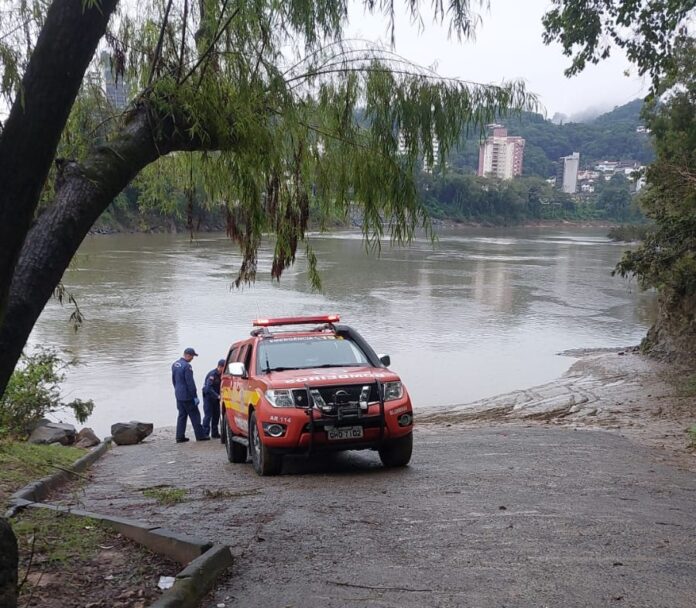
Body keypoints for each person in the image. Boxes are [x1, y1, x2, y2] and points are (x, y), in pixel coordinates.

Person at [171, 347, 209, 443]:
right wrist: (195, 396)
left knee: (182, 415)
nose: (192, 359)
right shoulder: (187, 367)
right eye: (192, 356)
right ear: (188, 355)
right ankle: (200, 436)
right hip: (187, 396)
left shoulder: (175, 364)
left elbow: (174, 380)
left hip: (178, 394)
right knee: (195, 415)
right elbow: (190, 383)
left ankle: (179, 436)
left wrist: (177, 390)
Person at [202, 359, 225, 439]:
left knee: (216, 415)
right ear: (219, 367)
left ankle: (214, 433)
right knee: (208, 415)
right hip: (208, 397)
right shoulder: (212, 374)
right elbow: (208, 388)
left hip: (216, 398)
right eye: (223, 368)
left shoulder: (221, 375)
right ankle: (205, 433)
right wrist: (217, 396)